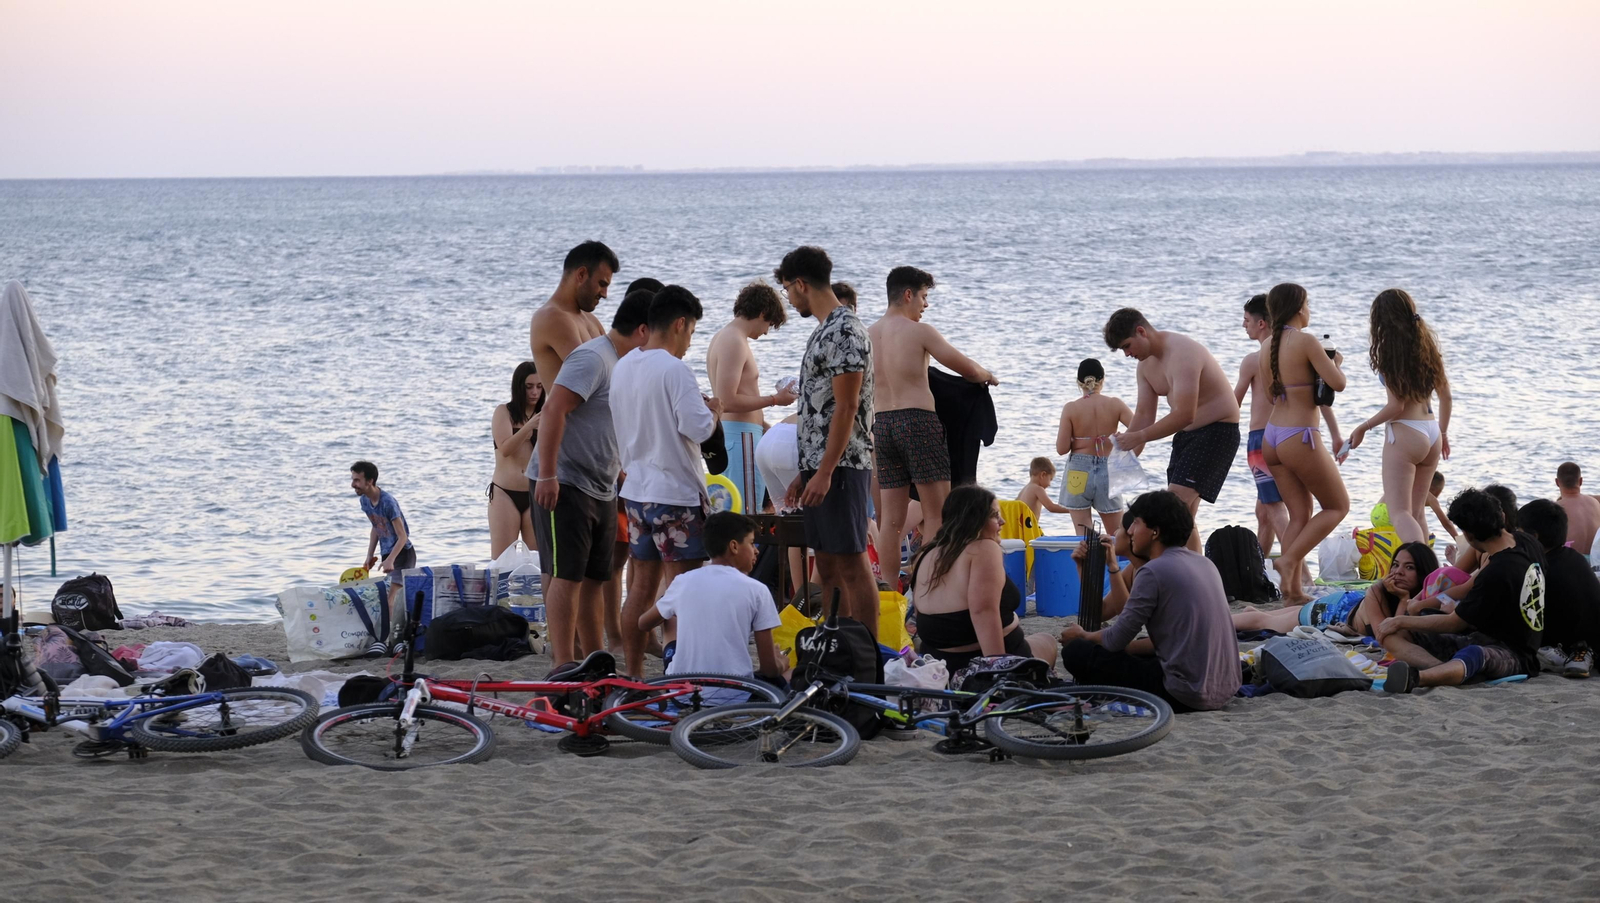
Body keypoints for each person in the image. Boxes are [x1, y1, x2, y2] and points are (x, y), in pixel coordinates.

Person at [530, 288, 653, 668]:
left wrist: (621, 472)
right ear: (645, 330)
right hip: (564, 480)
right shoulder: (594, 357)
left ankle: (591, 655)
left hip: (602, 484)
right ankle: (562, 665)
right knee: (567, 576)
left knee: (596, 579)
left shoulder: (625, 364)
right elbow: (553, 411)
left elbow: (607, 423)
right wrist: (548, 474)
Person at [611, 285, 722, 677]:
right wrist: (716, 412)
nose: (690, 342)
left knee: (640, 588)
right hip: (675, 493)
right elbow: (697, 428)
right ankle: (682, 672)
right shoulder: (675, 370)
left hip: (637, 491)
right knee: (683, 590)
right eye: (691, 332)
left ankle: (635, 673)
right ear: (679, 324)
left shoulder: (623, 366)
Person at [1058, 490, 1241, 712]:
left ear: (1155, 531)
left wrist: (1083, 636)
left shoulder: (1153, 571)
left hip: (1186, 693)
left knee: (1076, 652)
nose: (1131, 530)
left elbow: (1116, 640)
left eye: (1135, 523)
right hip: (1225, 687)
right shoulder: (1204, 563)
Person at [867, 266, 999, 574]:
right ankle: (932, 587)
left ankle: (889, 592)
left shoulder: (867, 334)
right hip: (918, 423)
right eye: (924, 297)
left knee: (890, 521)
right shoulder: (919, 332)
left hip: (882, 425)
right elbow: (966, 368)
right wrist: (988, 376)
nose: (925, 305)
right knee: (937, 513)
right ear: (908, 294)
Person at [776, 246, 879, 636]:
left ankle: (866, 651)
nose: (788, 297)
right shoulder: (825, 329)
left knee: (852, 563)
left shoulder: (845, 330)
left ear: (801, 284)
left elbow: (848, 407)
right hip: (824, 467)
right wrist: (808, 471)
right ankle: (839, 640)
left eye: (787, 289)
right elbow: (820, 408)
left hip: (844, 467)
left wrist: (824, 471)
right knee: (830, 564)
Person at [1377, 488, 1545, 693]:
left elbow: (1454, 623)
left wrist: (1400, 619)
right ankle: (1446, 671)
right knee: (1400, 630)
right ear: (1501, 516)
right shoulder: (1528, 542)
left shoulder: (1496, 572)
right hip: (1483, 635)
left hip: (1515, 654)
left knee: (1475, 654)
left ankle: (1420, 677)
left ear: (1469, 535)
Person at [1103, 308, 1242, 553]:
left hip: (1218, 431)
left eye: (1127, 346)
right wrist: (1121, 455)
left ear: (1141, 331)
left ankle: (1175, 569)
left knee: (1172, 505)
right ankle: (1193, 574)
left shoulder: (1183, 352)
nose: (1127, 354)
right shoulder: (1145, 367)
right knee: (1184, 515)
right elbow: (1144, 416)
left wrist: (1140, 436)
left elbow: (1184, 413)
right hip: (1186, 436)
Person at [1255, 284, 1349, 603]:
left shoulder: (1266, 345)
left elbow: (1270, 395)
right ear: (1298, 308)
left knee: (1300, 514)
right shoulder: (1307, 341)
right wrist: (1335, 362)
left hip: (1272, 436)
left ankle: (1292, 590)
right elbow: (1338, 384)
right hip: (1299, 435)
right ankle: (1290, 559)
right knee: (1337, 506)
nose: (1309, 310)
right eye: (1308, 304)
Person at [1343, 289, 1453, 546]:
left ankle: (1417, 570)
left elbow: (1396, 406)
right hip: (1432, 430)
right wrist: (1444, 434)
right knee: (1416, 514)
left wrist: (1363, 427)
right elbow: (1446, 397)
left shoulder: (1390, 352)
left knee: (1400, 513)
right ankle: (1428, 578)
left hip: (1406, 433)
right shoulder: (1428, 347)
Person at [909, 485, 1059, 671]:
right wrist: (996, 672)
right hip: (981, 662)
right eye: (995, 515)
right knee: (1048, 640)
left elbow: (919, 613)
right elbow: (983, 611)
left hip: (939, 664)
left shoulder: (927, 553)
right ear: (974, 520)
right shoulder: (984, 548)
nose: (1002, 521)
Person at [638, 511, 785, 682]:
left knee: (669, 613)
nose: (756, 551)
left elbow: (643, 623)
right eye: (752, 543)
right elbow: (769, 669)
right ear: (734, 546)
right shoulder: (758, 590)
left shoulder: (682, 581)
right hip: (736, 692)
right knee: (787, 676)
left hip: (682, 688)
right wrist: (781, 664)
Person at [706, 281, 797, 515]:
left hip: (738, 434)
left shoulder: (724, 336)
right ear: (762, 313)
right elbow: (727, 400)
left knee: (735, 513)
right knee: (746, 516)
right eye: (768, 324)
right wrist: (774, 399)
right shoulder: (734, 340)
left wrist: (765, 426)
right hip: (740, 437)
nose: (766, 331)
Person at [1231, 541, 1439, 637]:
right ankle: (1218, 621)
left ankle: (1250, 612)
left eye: (1409, 567)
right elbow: (1389, 637)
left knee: (1284, 615)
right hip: (1332, 611)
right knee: (1265, 622)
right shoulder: (1379, 591)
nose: (1398, 572)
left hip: (1347, 602)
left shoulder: (1429, 597)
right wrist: (1403, 600)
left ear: (1423, 574)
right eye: (1395, 564)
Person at [1234, 294, 1289, 555]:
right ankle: (1258, 570)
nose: (1244, 325)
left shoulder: (1253, 360)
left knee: (1275, 509)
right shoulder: (1290, 355)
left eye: (1246, 320)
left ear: (1262, 324)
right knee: (1264, 510)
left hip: (1261, 439)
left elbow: (1234, 403)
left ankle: (1303, 576)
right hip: (1291, 434)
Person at [1518, 498, 1597, 678]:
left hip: (1567, 644)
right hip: (1592, 639)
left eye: (1520, 533)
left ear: (1534, 537)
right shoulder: (1574, 558)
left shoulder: (1539, 569)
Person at [528, 240, 618, 397]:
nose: (605, 294)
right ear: (581, 274)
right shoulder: (552, 318)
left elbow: (614, 371)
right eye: (602, 284)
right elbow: (596, 376)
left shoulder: (590, 319)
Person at [1055, 358, 1132, 536]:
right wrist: (1128, 450)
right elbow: (1139, 429)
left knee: (1084, 536)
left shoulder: (1071, 408)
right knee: (1117, 534)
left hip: (1078, 471)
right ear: (1103, 380)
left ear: (1079, 382)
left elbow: (1061, 448)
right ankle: (1116, 564)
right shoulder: (1115, 404)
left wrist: (1081, 441)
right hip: (1108, 469)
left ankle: (1088, 564)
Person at [350, 460, 413, 655]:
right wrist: (370, 555)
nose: (353, 484)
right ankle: (390, 638)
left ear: (370, 481)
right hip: (388, 554)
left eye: (357, 480)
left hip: (403, 553)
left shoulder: (388, 502)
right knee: (387, 598)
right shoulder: (365, 501)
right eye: (352, 479)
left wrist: (391, 559)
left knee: (391, 599)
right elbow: (376, 528)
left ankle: (391, 641)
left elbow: (403, 536)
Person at [488, 361, 544, 560]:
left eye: (539, 386)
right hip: (505, 492)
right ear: (519, 387)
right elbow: (505, 449)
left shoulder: (546, 414)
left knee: (536, 561)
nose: (534, 392)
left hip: (534, 493)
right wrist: (529, 427)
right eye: (529, 387)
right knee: (502, 561)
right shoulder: (504, 412)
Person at [1554, 462, 1600, 555]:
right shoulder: (1595, 502)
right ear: (1581, 481)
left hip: (1573, 563)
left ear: (1557, 482)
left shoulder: (1555, 509)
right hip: (1596, 562)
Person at [1016, 457, 1071, 523]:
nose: (1049, 484)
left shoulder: (1024, 489)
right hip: (1030, 530)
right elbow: (1051, 507)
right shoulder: (1038, 489)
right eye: (1050, 479)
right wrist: (1072, 510)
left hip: (1020, 528)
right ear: (1043, 475)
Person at [1426, 471, 1459, 546]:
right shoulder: (1429, 496)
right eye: (1439, 491)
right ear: (1432, 489)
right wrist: (1461, 543)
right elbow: (1447, 523)